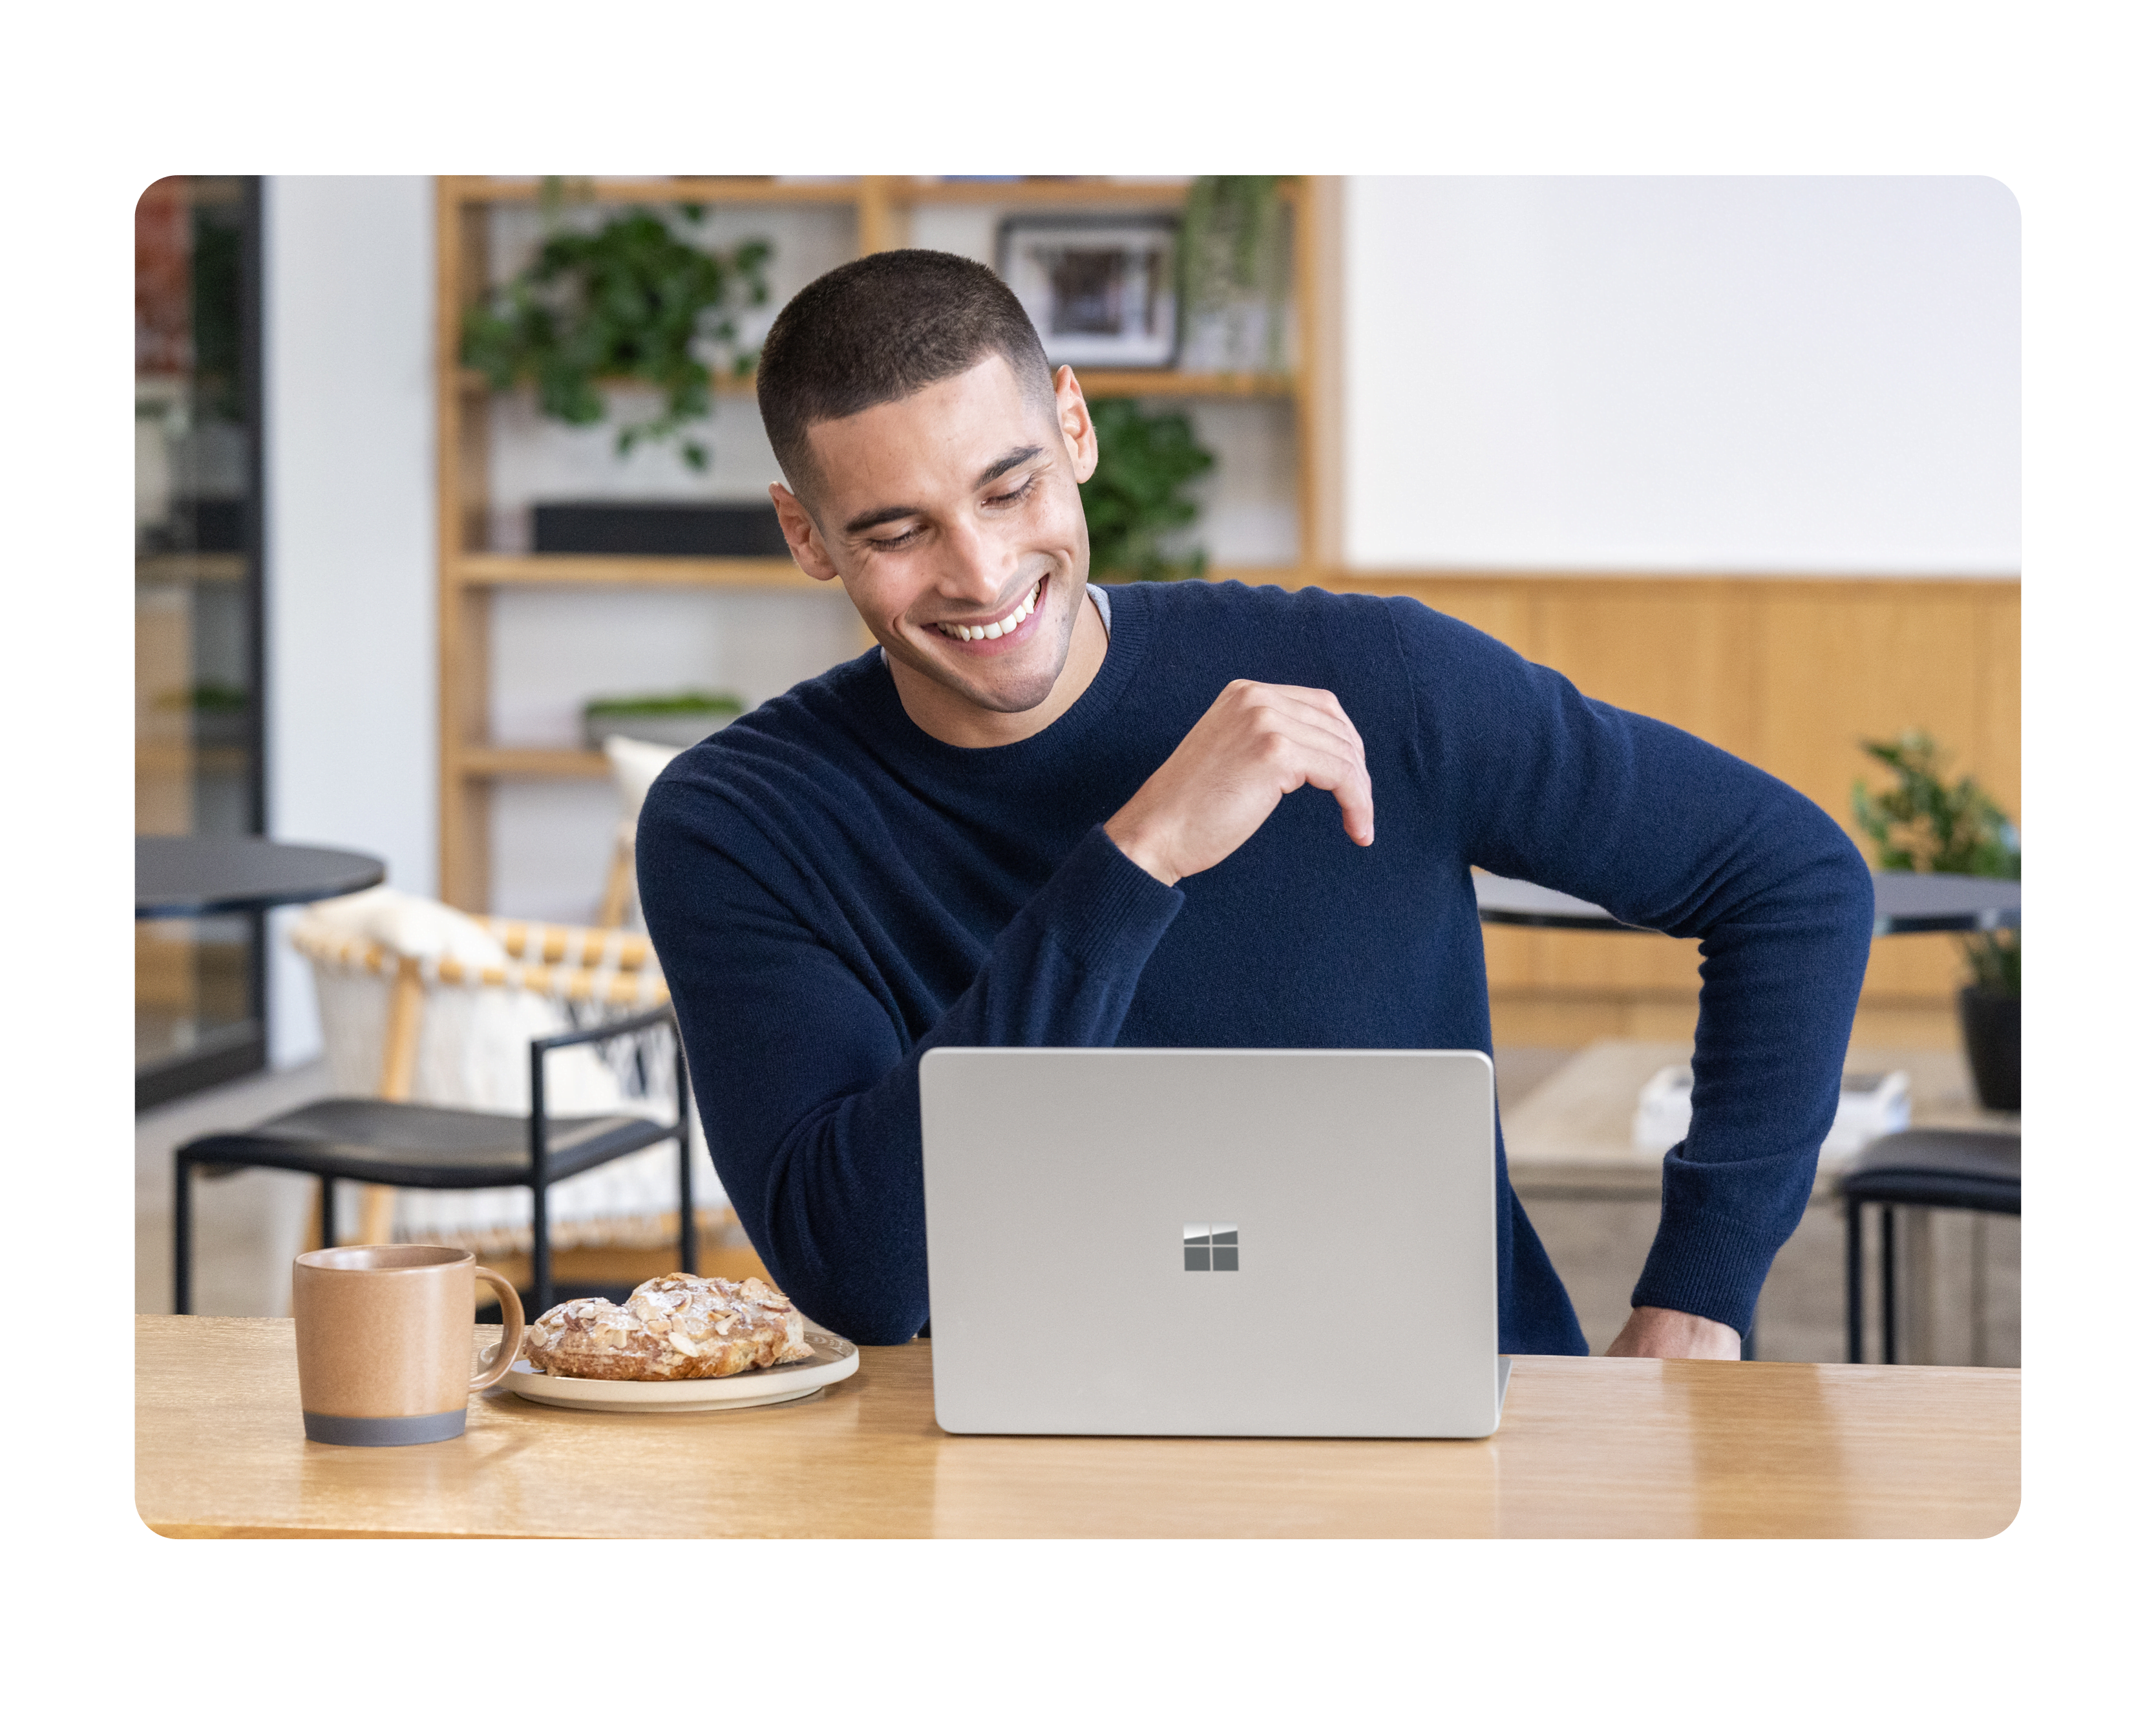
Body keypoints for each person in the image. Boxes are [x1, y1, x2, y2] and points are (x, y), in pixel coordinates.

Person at [637, 249, 1874, 1356]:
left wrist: (1699, 1299)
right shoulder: (742, 824)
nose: (980, 572)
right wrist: (1137, 857)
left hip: (1461, 1440)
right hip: (1035, 1480)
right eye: (899, 530)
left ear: (1074, 426)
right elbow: (863, 1277)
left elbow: (1792, 881)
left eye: (1008, 490)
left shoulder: (1375, 679)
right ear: (807, 537)